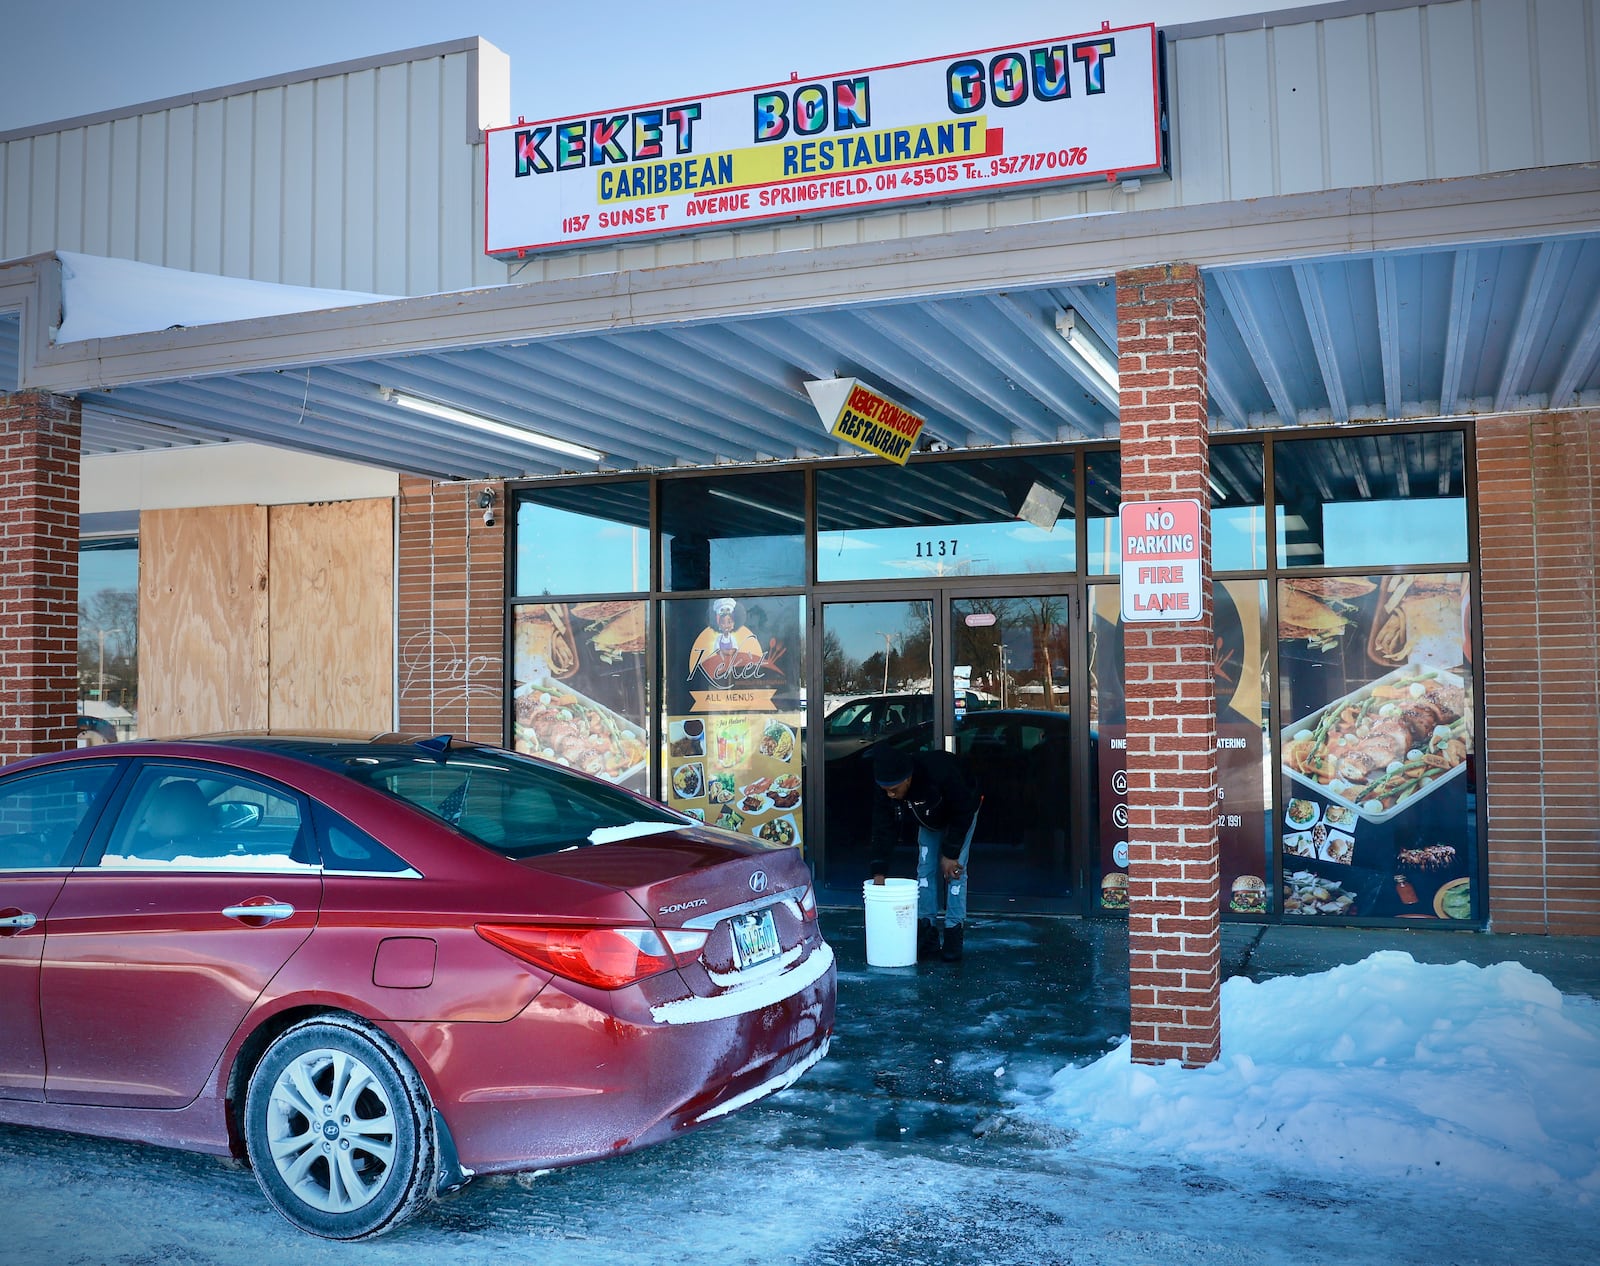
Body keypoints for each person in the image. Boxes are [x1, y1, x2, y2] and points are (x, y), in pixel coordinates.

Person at [868, 744, 981, 962]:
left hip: (962, 809)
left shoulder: (939, 772)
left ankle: (953, 932)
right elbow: (882, 826)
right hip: (929, 816)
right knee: (925, 868)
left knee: (955, 871)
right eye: (885, 790)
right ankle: (926, 931)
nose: (890, 795)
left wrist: (950, 853)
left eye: (894, 789)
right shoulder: (886, 786)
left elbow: (963, 810)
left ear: (908, 779)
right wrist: (879, 871)